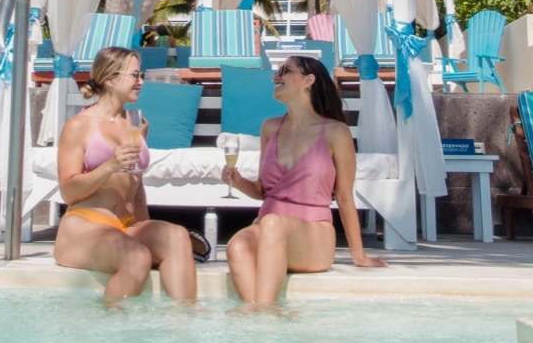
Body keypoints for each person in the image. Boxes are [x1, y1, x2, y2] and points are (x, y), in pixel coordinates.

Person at [223, 55, 386, 307]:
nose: (277, 76)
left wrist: (359, 255)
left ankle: (263, 314)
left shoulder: (336, 132)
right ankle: (261, 313)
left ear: (309, 80)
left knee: (271, 224)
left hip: (312, 236)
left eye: (285, 71)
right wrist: (238, 180)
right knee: (236, 245)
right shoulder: (270, 128)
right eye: (277, 71)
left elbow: (344, 197)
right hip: (268, 229)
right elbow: (262, 191)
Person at [54, 46, 197, 305]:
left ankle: (183, 324)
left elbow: (136, 183)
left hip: (125, 226)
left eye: (140, 75)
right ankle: (112, 334)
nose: (141, 82)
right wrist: (111, 164)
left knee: (176, 236)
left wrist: (146, 228)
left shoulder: (136, 123)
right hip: (86, 228)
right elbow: (68, 190)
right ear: (110, 79)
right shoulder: (79, 126)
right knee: (136, 257)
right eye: (134, 75)